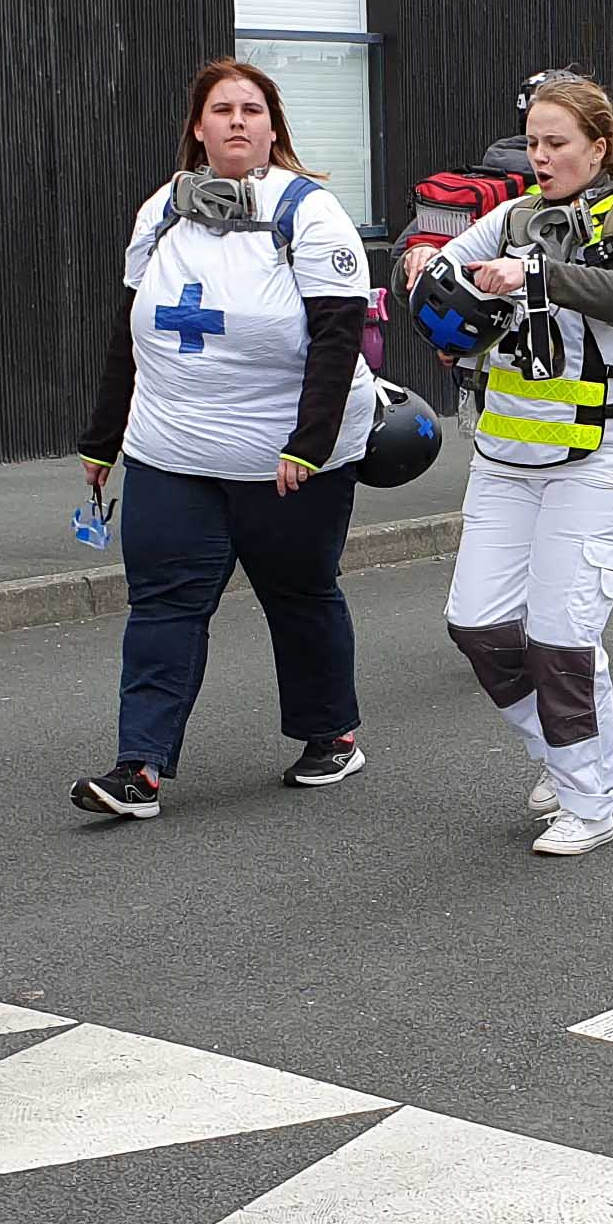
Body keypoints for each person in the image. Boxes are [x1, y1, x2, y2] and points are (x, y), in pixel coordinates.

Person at [71, 60, 380, 819]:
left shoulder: (310, 213)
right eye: (222, 109)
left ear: (273, 127)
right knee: (162, 605)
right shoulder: (161, 212)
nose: (237, 121)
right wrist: (101, 441)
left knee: (299, 594)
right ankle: (138, 766)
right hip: (171, 449)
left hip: (286, 458)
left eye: (252, 109)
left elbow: (340, 339)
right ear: (198, 128)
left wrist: (307, 445)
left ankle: (329, 735)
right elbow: (128, 332)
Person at [431, 74, 613, 856]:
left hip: (603, 455)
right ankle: (561, 753)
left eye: (557, 143)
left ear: (599, 149)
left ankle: (588, 801)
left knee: (561, 636)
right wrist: (426, 275)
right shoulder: (512, 216)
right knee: (476, 624)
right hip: (507, 454)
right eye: (533, 142)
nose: (541, 157)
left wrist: (533, 274)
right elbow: (442, 263)